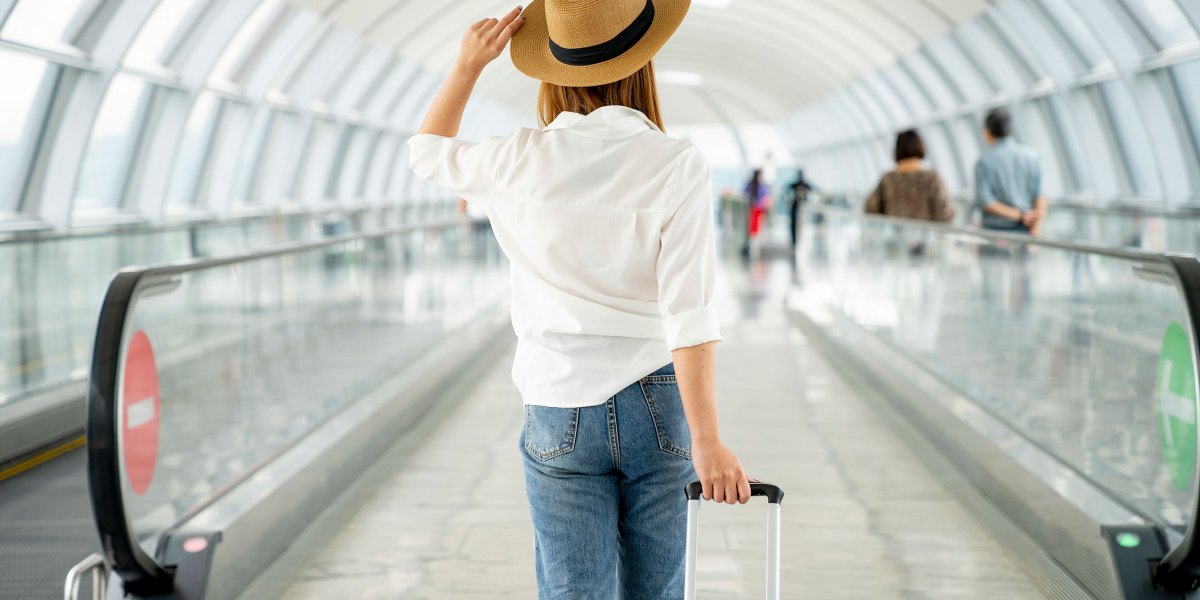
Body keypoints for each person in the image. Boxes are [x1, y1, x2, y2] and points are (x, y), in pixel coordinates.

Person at [405, 3, 751, 598]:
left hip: (555, 400)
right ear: (643, 64)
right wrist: (707, 439)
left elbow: (426, 153)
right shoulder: (677, 164)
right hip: (657, 400)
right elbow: (690, 312)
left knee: (572, 589)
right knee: (659, 589)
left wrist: (467, 67)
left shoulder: (515, 158)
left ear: (554, 71)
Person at [974, 108, 1047, 235]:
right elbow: (1040, 195)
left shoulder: (984, 162)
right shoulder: (1032, 157)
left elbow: (986, 202)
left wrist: (1021, 216)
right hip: (1025, 230)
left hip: (994, 233)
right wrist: (1035, 228)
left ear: (987, 132)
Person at [864, 129, 955, 223]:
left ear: (897, 149)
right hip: (925, 236)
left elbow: (870, 207)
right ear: (920, 145)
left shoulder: (888, 179)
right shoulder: (931, 178)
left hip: (895, 235)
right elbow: (946, 213)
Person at [787, 169, 814, 247]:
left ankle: (802, 242)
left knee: (803, 226)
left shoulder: (806, 185)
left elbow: (814, 190)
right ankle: (794, 242)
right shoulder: (794, 185)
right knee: (794, 226)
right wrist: (789, 200)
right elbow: (786, 192)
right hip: (795, 208)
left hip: (804, 210)